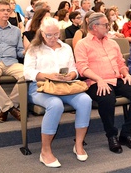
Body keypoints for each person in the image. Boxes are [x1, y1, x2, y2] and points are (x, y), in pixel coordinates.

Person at [75, 12, 131, 153]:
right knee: (107, 99)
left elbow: (121, 63)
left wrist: (126, 74)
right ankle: (111, 135)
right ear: (95, 26)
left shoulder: (113, 43)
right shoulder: (82, 44)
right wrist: (98, 79)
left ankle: (126, 133)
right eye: (105, 24)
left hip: (117, 78)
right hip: (95, 81)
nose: (109, 27)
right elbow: (82, 68)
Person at [24, 17, 91, 167]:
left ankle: (78, 144)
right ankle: (45, 151)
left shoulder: (65, 47)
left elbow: (74, 69)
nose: (53, 38)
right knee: (55, 104)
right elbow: (27, 72)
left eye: (56, 34)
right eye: (49, 35)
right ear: (42, 33)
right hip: (41, 87)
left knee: (85, 100)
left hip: (64, 86)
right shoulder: (34, 48)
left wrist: (71, 75)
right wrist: (48, 75)